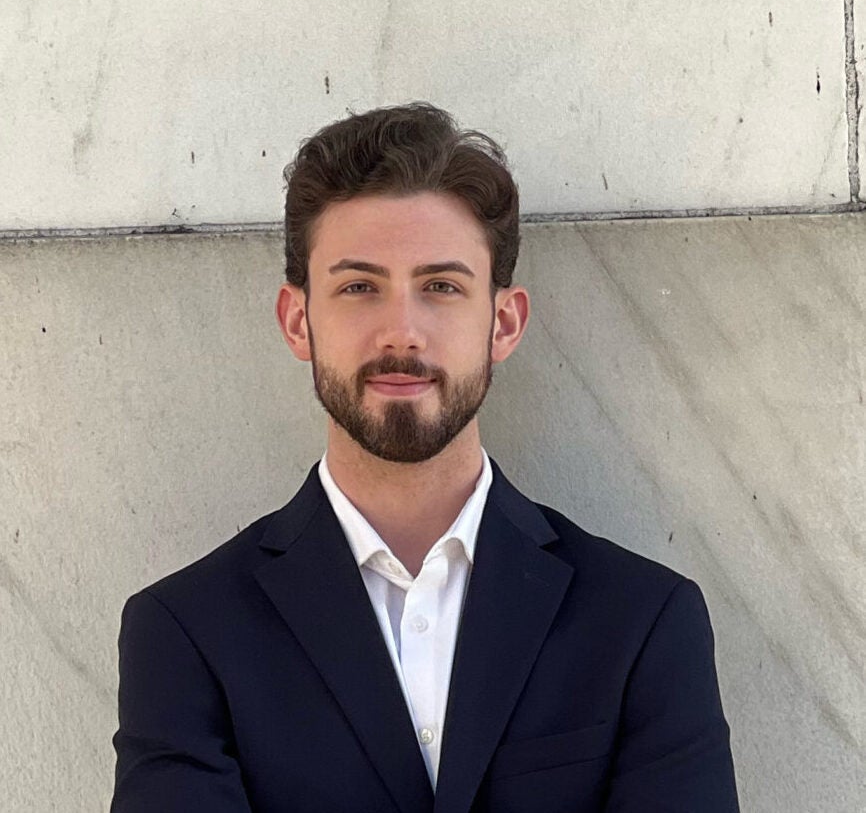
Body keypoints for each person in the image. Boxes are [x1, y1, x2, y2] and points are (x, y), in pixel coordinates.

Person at [111, 103, 739, 812]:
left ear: (503, 323)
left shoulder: (643, 622)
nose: (401, 331)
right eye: (358, 287)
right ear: (298, 320)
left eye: (441, 286)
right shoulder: (187, 632)